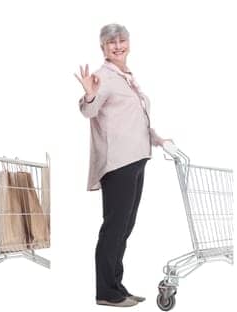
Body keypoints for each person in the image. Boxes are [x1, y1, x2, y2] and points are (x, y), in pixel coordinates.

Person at [75, 23, 171, 308]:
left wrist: (157, 138)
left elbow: (133, 119)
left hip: (137, 158)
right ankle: (106, 292)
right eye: (110, 42)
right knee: (114, 227)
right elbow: (88, 110)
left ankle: (117, 285)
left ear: (129, 43)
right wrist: (89, 94)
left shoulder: (126, 76)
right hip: (118, 162)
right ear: (102, 48)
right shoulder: (103, 77)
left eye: (121, 41)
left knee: (125, 227)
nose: (117, 46)